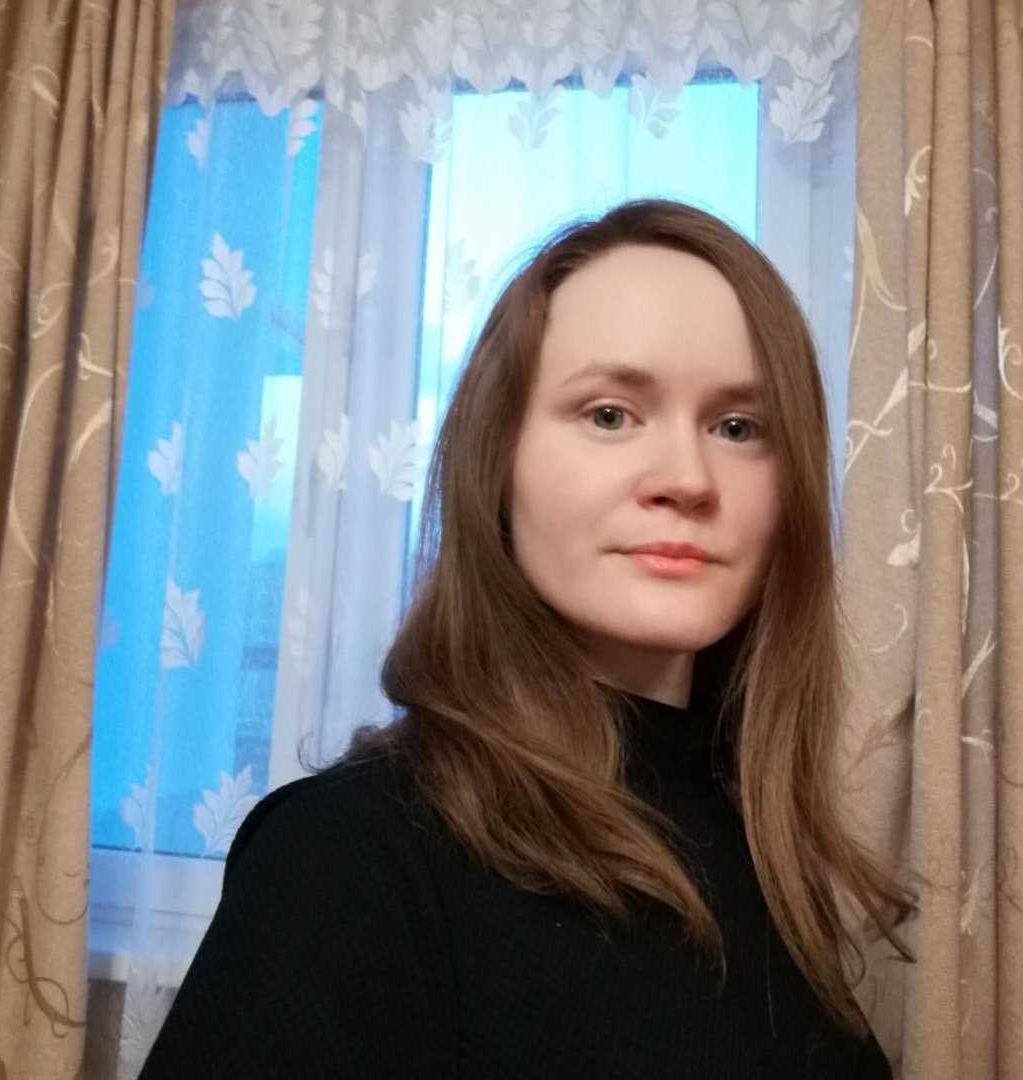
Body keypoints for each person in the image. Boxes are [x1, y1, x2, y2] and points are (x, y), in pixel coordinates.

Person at [140, 198, 916, 1077]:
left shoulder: (762, 850)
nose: (688, 478)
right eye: (610, 414)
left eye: (737, 428)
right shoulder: (351, 860)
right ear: (497, 463)